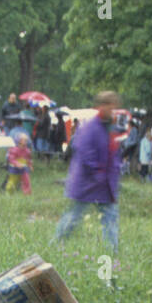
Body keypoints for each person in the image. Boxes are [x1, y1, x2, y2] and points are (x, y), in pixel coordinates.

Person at [54, 91, 123, 253]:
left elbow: (114, 154)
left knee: (111, 218)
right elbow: (83, 151)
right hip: (87, 182)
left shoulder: (112, 128)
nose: (112, 109)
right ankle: (56, 244)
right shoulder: (89, 127)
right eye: (109, 105)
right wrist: (96, 171)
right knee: (73, 217)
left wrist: (116, 169)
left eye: (114, 106)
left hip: (106, 185)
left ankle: (113, 253)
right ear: (100, 106)